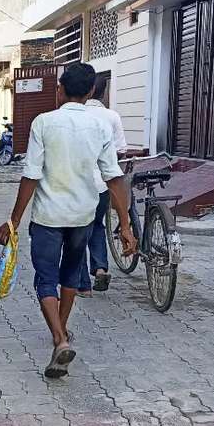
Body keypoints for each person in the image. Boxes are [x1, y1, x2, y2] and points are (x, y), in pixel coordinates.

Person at [0, 63, 137, 379]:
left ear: (60, 89)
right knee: (70, 273)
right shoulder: (100, 126)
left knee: (46, 278)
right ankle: (61, 333)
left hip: (47, 217)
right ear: (90, 92)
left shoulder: (43, 123)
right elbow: (114, 178)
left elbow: (30, 174)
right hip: (84, 215)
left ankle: (59, 339)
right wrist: (125, 226)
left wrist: (13, 222)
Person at [77, 76, 128, 295]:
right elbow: (121, 152)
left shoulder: (76, 116)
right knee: (97, 225)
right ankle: (99, 268)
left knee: (77, 231)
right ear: (102, 92)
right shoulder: (112, 116)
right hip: (104, 184)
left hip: (78, 183)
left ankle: (82, 285)